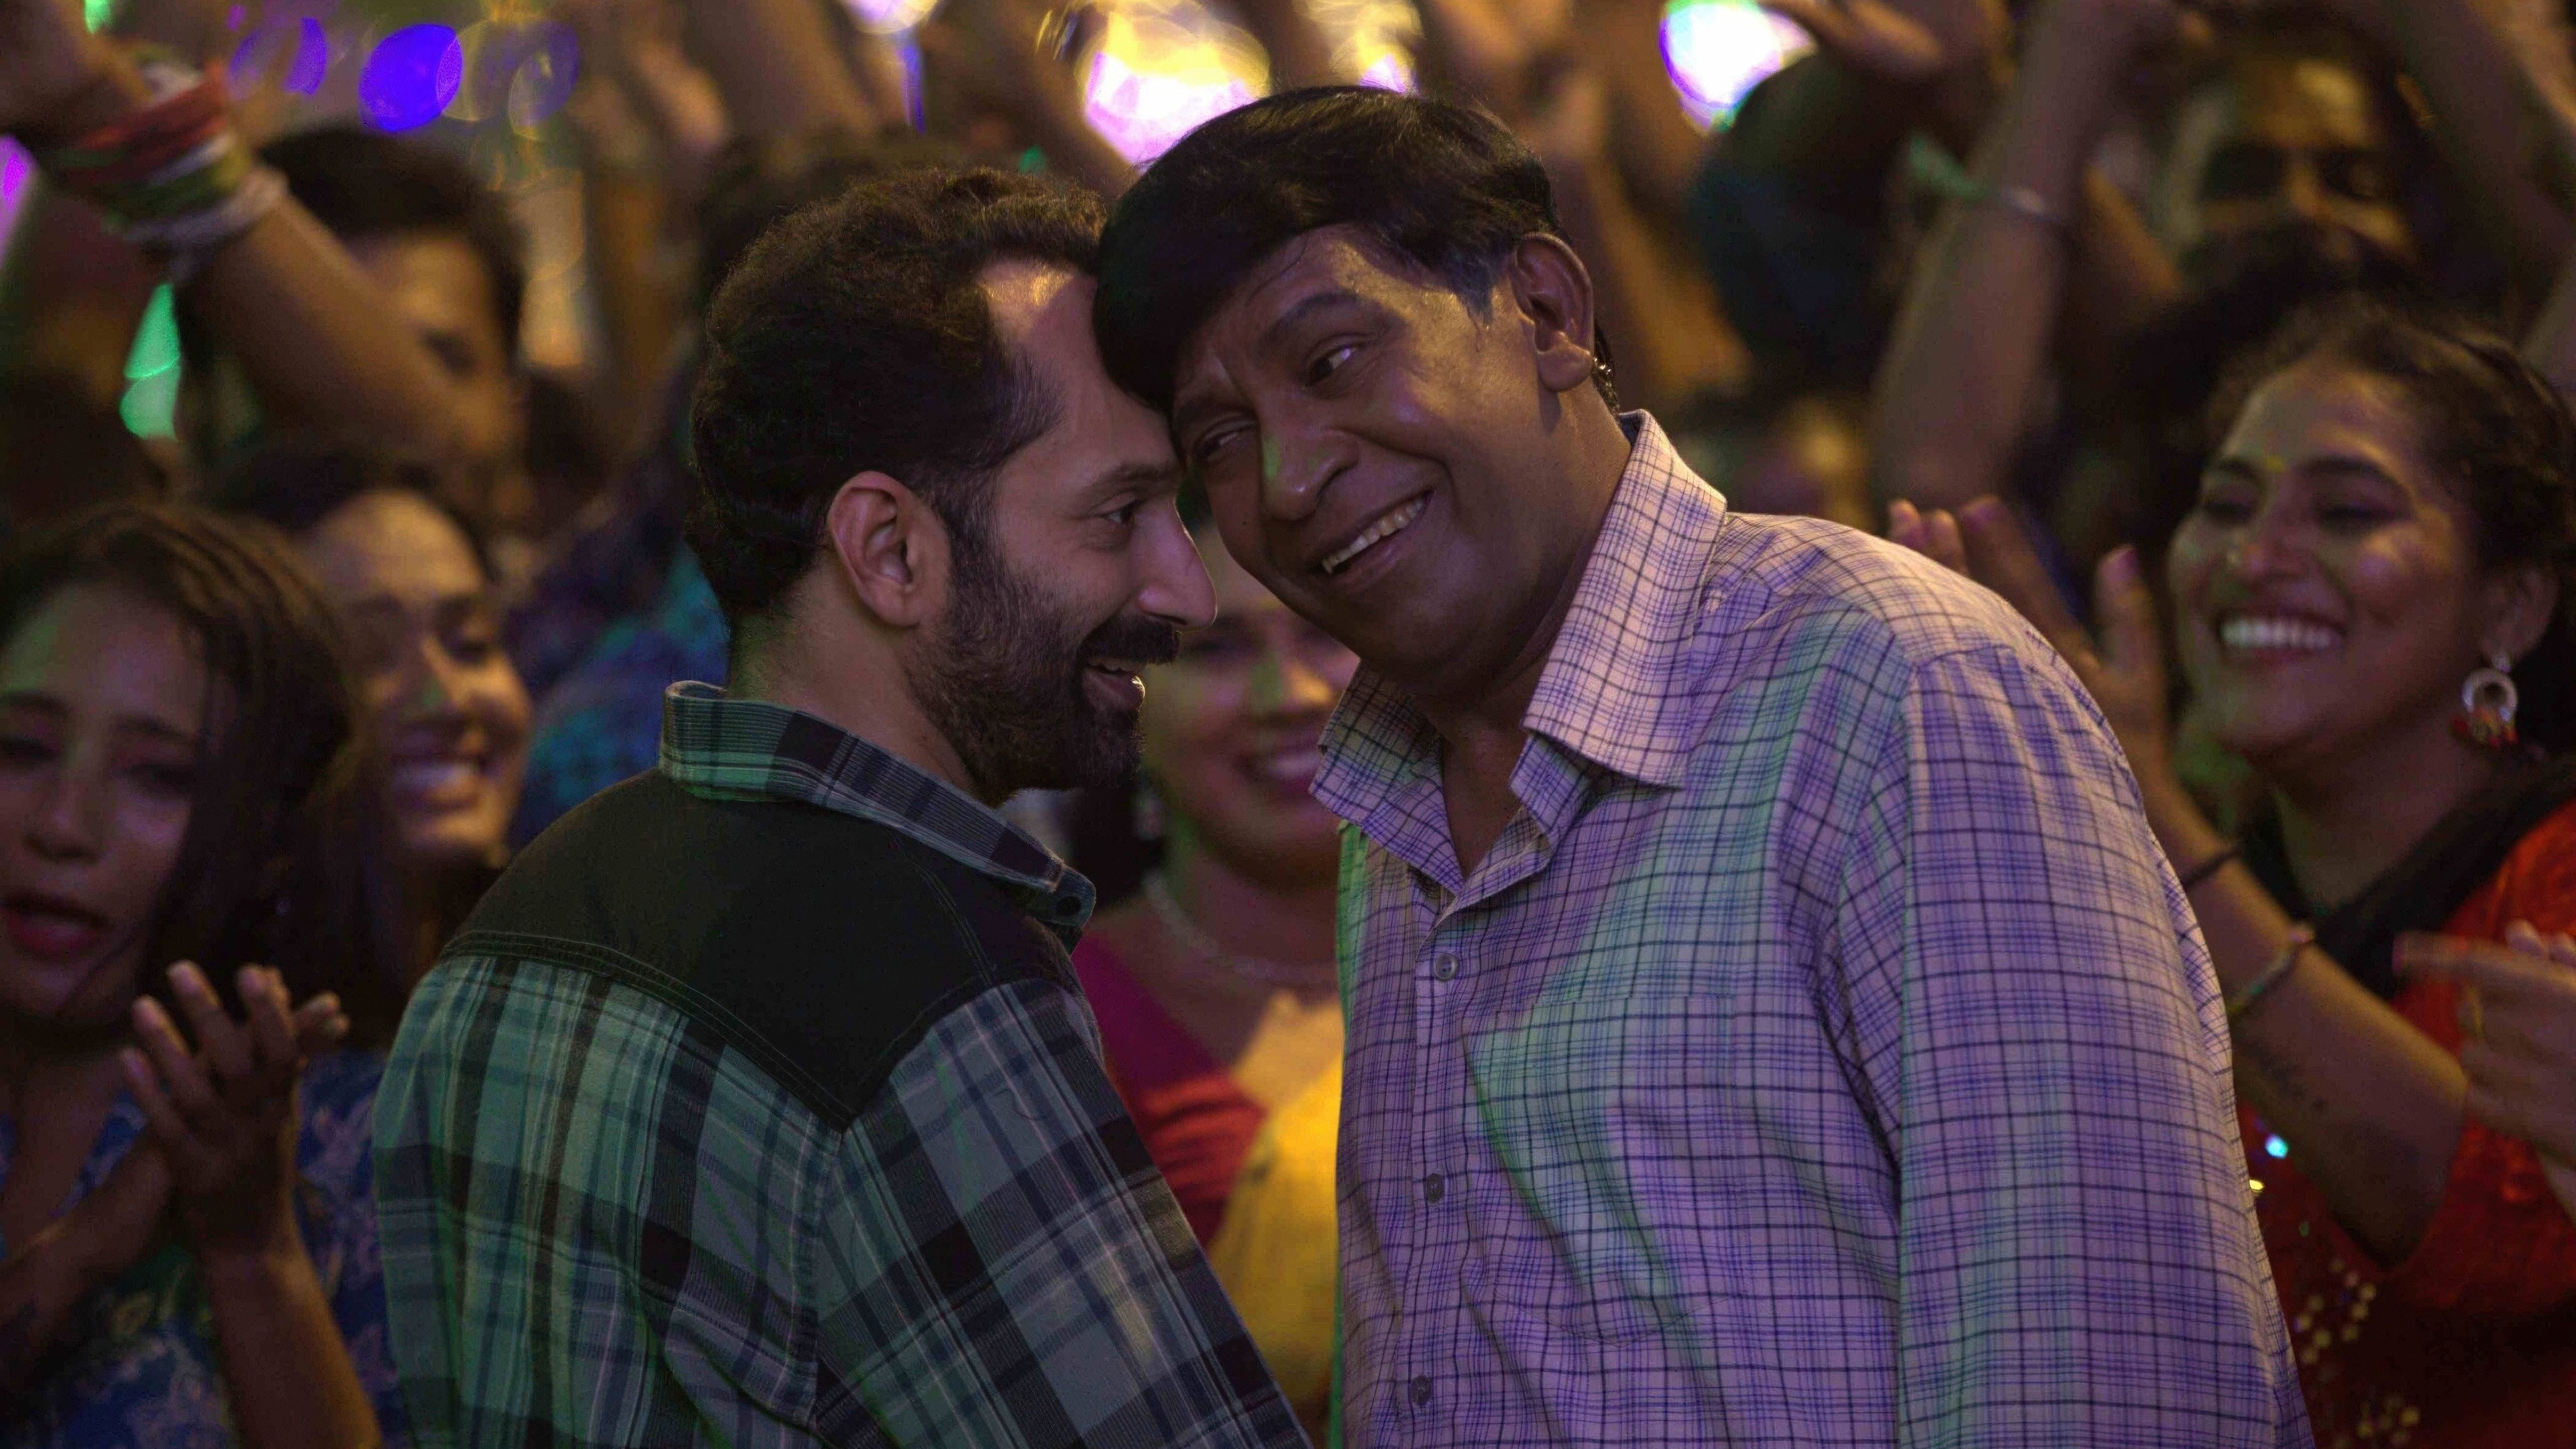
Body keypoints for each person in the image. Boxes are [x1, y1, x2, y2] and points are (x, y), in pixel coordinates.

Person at [1094, 85, 2307, 1446]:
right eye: (1221, 441)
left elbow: (2107, 1382)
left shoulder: (1892, 688)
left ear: (1549, 312)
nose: (1289, 478)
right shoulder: (1397, 786)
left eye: (1330, 364)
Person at [372, 166, 1307, 1446]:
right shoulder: (920, 982)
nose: (1185, 592)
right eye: (1120, 515)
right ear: (889, 550)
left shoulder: (522, 915)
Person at [1896, 295, 2576, 1446]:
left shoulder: (2552, 876)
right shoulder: (2140, 891)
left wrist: (2142, 810)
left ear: (2509, 606)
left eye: (2347, 512)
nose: (2254, 560)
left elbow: (2489, 1232)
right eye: (2225, 506)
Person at [0, 504, 410, 1447]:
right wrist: (83, 1252)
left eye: (158, 776)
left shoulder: (359, 1136)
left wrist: (251, 1249)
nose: (62, 825)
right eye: (20, 749)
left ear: (273, 838)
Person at [1071, 486, 1356, 1437]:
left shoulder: (1509, 961)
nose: (1292, 695)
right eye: (1220, 650)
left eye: (1326, 632)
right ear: (1124, 697)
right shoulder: (1062, 1013)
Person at [212, 447, 534, 974]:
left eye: (470, 643)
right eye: (366, 655)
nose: (445, 699)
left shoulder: (577, 960)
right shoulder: (217, 1012)